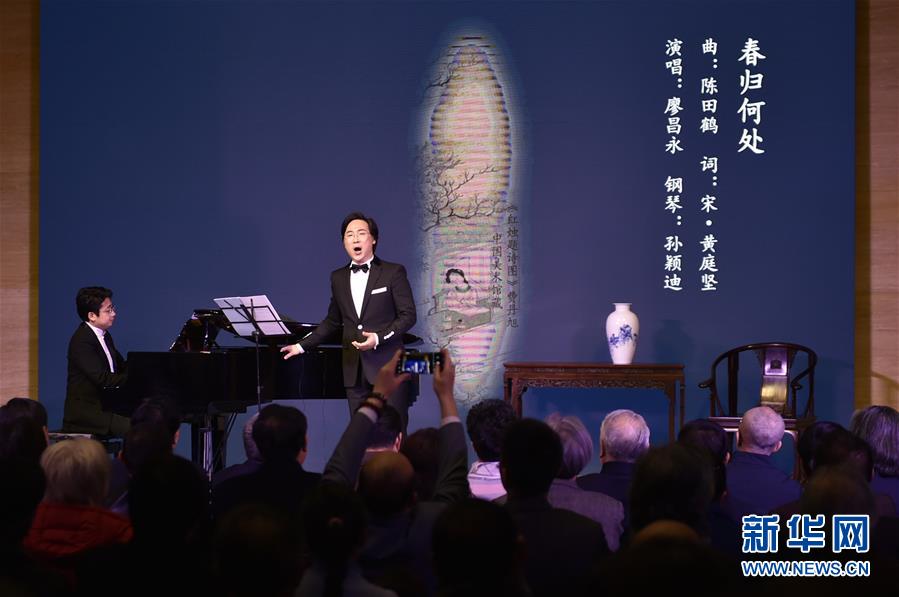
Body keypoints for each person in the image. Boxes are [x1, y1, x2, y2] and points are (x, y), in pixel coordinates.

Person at [281, 212, 417, 425]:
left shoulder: (393, 272)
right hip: (354, 371)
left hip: (389, 368)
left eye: (361, 233)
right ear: (344, 242)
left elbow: (408, 316)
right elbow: (332, 321)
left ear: (373, 239)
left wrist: (378, 338)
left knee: (394, 432)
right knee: (360, 435)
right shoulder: (338, 277)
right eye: (349, 235)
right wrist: (300, 346)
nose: (355, 239)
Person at [62, 286, 130, 436]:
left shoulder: (105, 336)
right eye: (108, 310)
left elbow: (121, 366)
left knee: (146, 420)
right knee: (138, 428)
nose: (113, 314)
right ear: (92, 315)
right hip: (88, 413)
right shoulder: (82, 341)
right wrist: (133, 380)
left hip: (106, 406)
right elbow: (102, 378)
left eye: (112, 308)